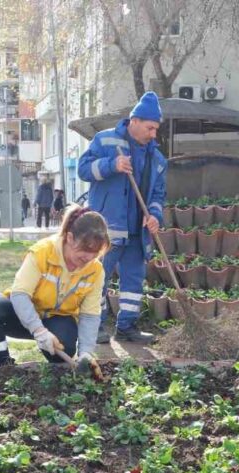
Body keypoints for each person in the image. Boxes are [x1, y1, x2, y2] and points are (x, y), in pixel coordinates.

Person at [0, 205, 109, 369]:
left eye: (95, 253)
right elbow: (20, 294)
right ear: (70, 238)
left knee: (64, 347)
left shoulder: (95, 270)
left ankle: (56, 370)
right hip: (22, 316)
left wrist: (86, 352)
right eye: (85, 250)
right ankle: (1, 367)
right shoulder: (42, 252)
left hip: (57, 321)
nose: (89, 257)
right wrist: (38, 330)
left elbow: (90, 315)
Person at [78, 90, 166, 344]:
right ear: (134, 121)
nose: (153, 134)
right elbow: (83, 170)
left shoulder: (157, 159)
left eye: (155, 129)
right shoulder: (105, 141)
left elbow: (159, 194)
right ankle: (95, 326)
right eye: (150, 128)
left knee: (133, 281)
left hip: (138, 232)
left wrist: (155, 216)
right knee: (98, 277)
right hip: (106, 228)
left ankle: (127, 327)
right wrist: (111, 165)